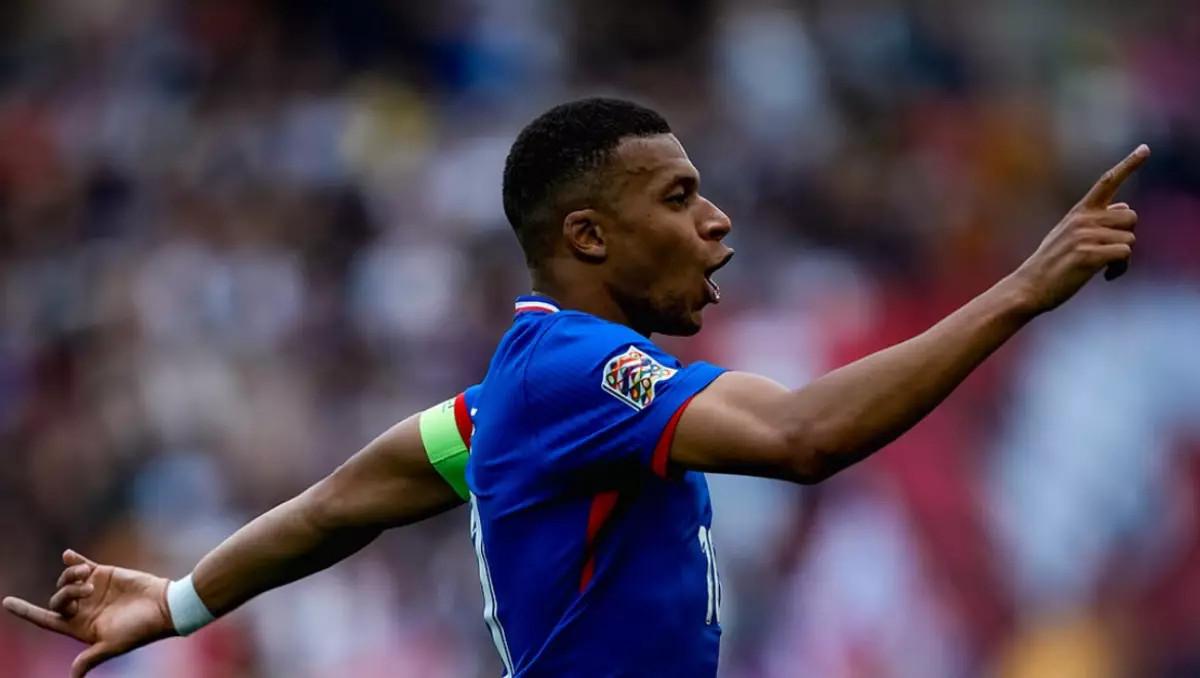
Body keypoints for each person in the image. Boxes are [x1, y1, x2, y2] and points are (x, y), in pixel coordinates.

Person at [4, 97, 1147, 678]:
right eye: (680, 197)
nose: (718, 220)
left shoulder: (519, 398)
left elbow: (341, 503)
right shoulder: (584, 374)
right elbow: (804, 436)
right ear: (589, 236)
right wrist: (1021, 291)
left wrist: (179, 602)